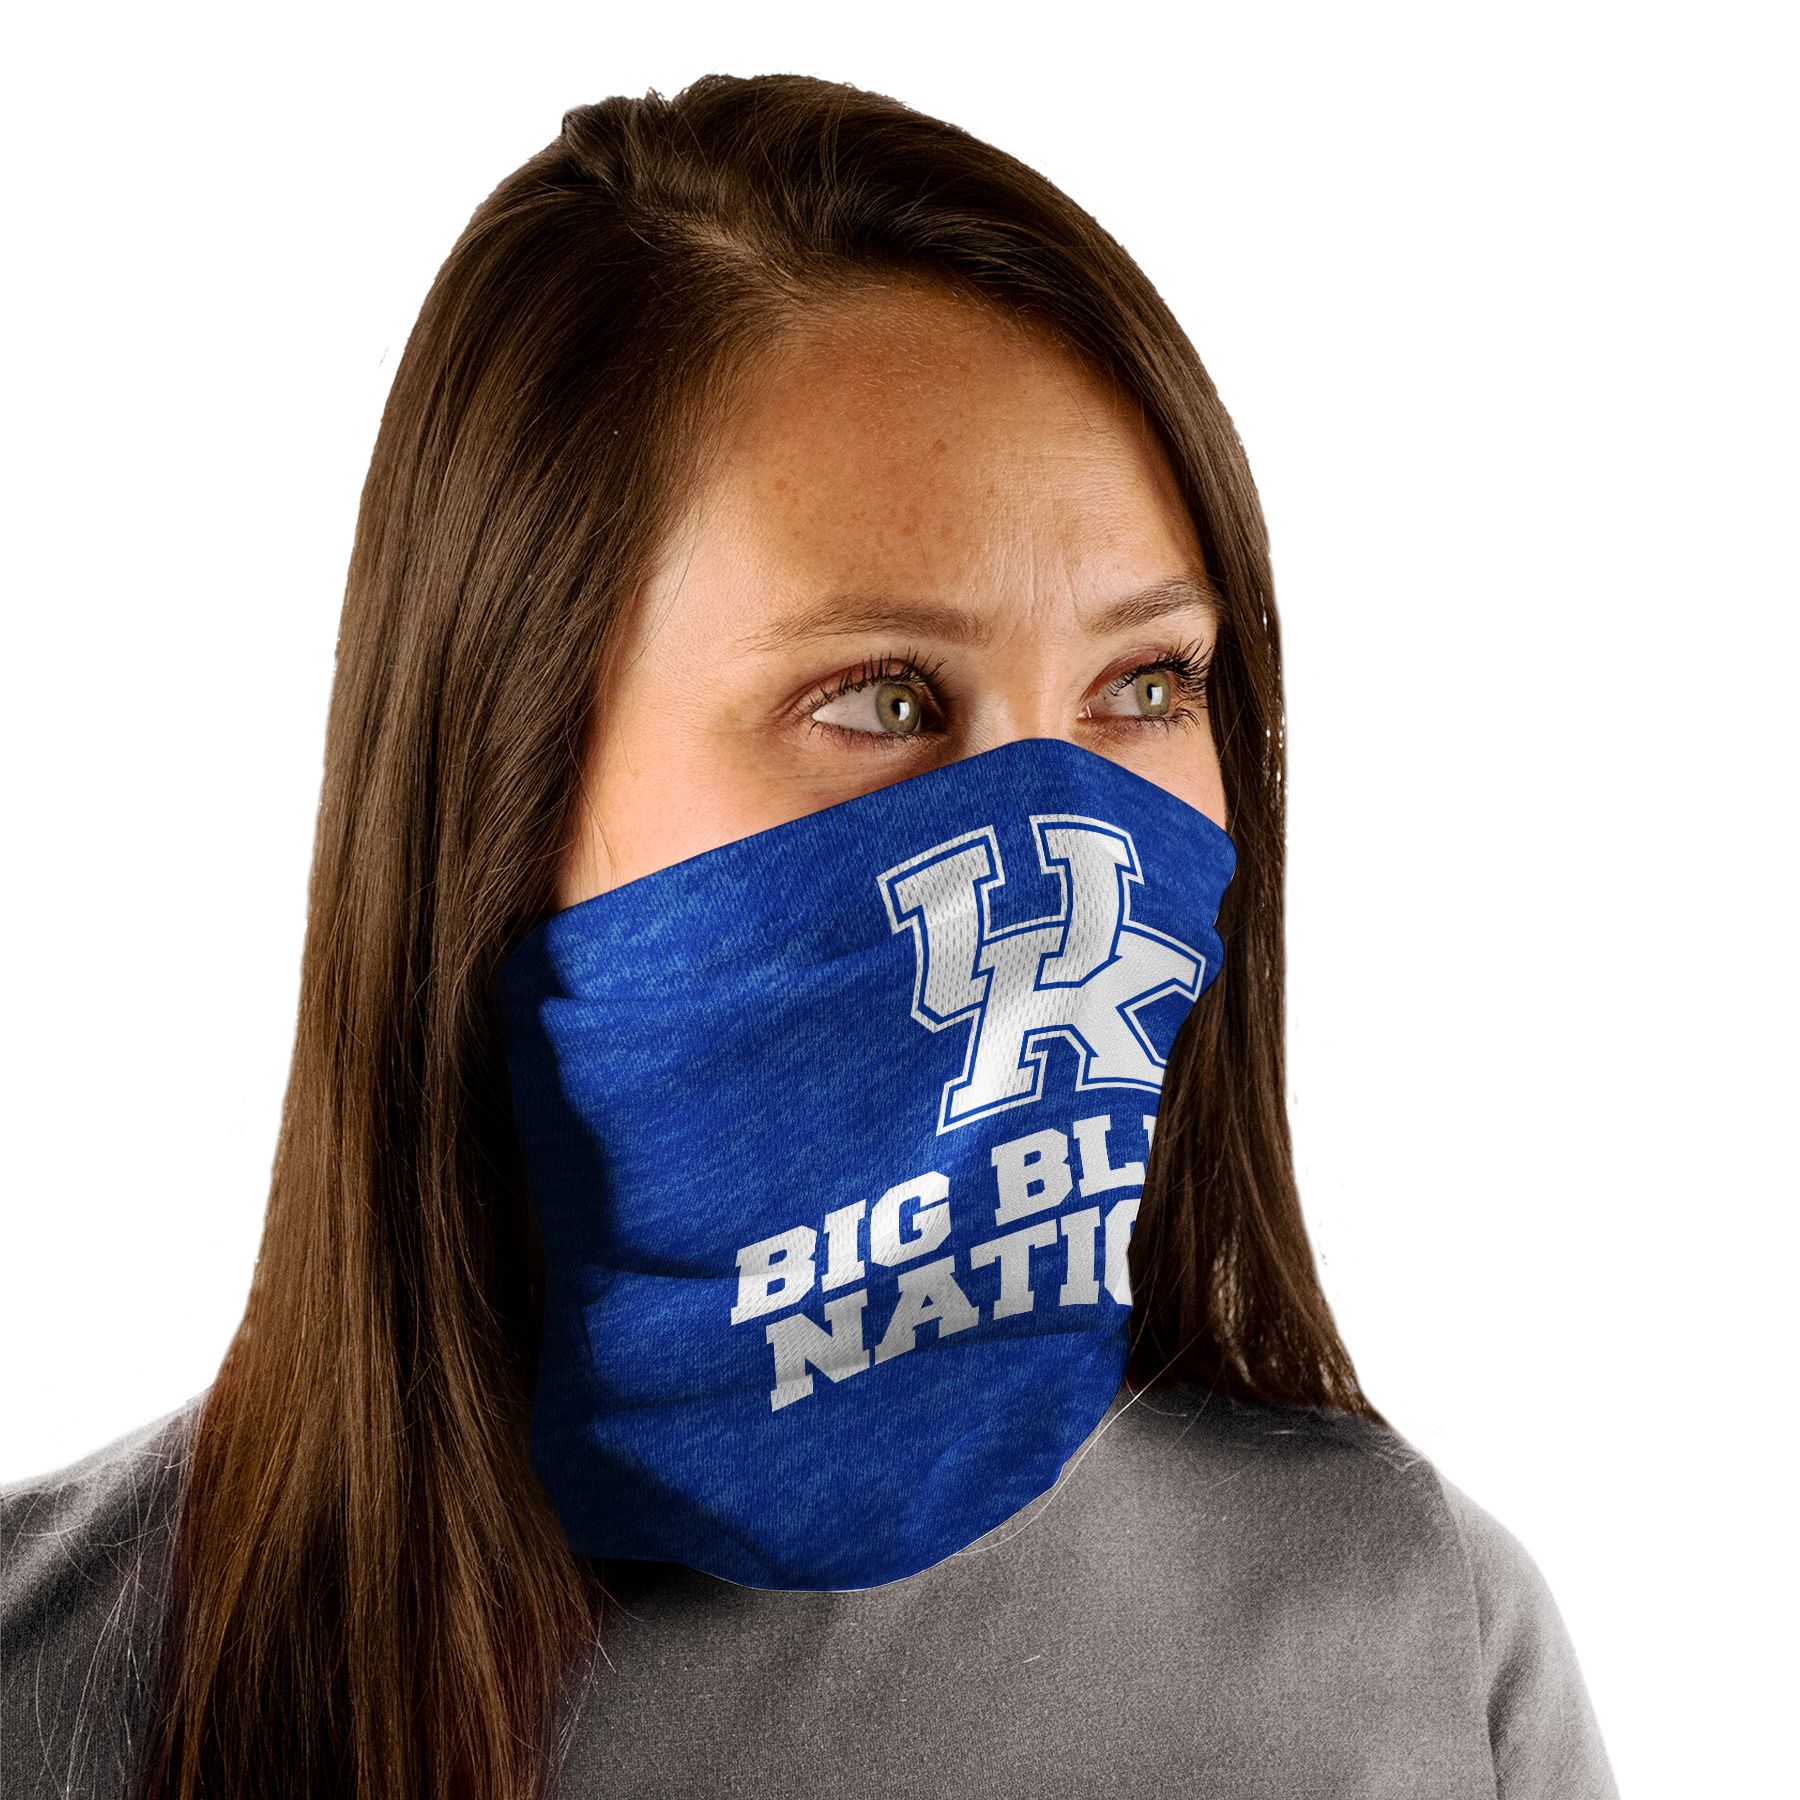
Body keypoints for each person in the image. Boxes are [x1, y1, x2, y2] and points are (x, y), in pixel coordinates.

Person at [0, 72, 1620, 1799]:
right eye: (885, 697)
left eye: (1148, 684)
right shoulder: (52, 1694)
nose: (1058, 853)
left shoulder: (1413, 1654)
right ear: (507, 781)